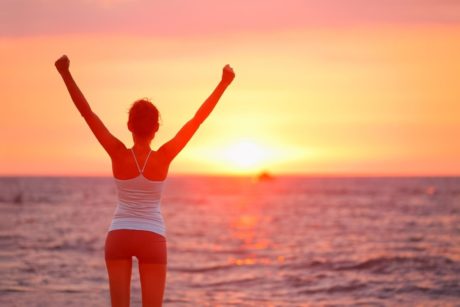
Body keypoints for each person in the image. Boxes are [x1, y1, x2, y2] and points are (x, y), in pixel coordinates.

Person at [55, 55, 235, 307]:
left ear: (129, 125)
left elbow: (87, 114)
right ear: (156, 128)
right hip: (152, 237)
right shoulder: (164, 157)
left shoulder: (117, 152)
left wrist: (65, 73)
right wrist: (223, 83)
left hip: (119, 235)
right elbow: (197, 120)